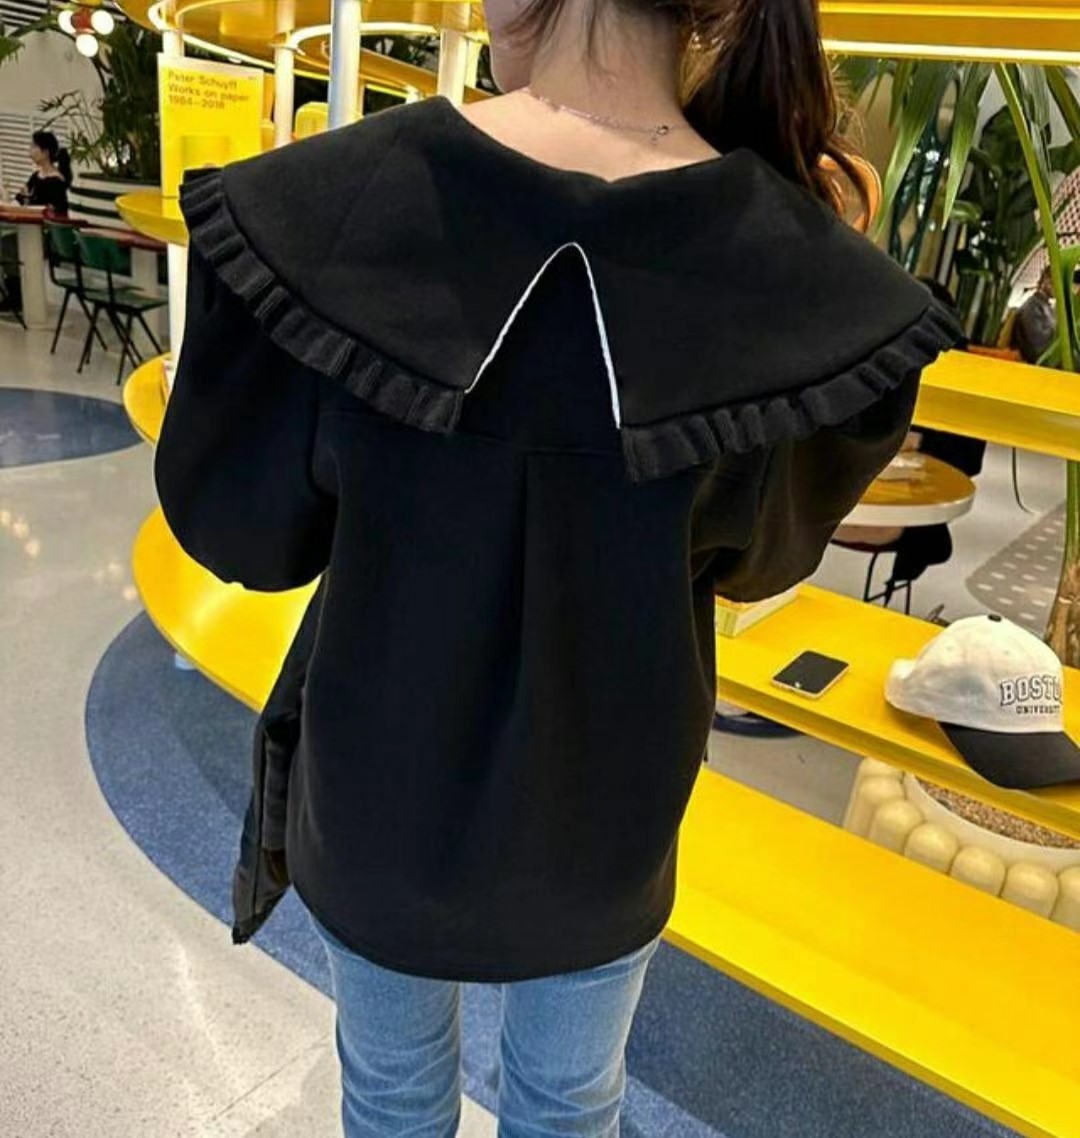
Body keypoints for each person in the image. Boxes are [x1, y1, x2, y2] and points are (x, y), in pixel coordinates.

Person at [153, 0, 965, 1133]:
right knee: (572, 1105)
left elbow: (245, 533)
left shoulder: (336, 207)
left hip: (378, 799)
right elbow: (756, 563)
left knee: (389, 1097)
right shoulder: (783, 266)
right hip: (607, 818)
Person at [14, 131, 72, 215]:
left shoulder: (56, 182)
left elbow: (57, 212)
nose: (30, 151)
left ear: (45, 152)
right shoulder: (36, 176)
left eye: (34, 147)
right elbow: (20, 198)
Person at [1010, 263, 1056, 364]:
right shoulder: (1032, 307)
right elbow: (1039, 346)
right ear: (1046, 281)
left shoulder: (1047, 307)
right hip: (1035, 363)